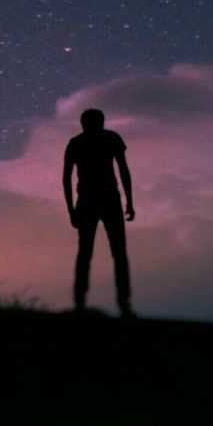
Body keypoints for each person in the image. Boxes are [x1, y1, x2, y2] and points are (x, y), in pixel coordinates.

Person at [62, 108, 135, 317]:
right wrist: (129, 201)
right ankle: (119, 303)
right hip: (100, 200)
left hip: (95, 201)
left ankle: (85, 302)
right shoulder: (106, 139)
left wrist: (71, 210)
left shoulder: (78, 143)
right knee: (111, 253)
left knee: (91, 252)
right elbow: (123, 170)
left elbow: (123, 169)